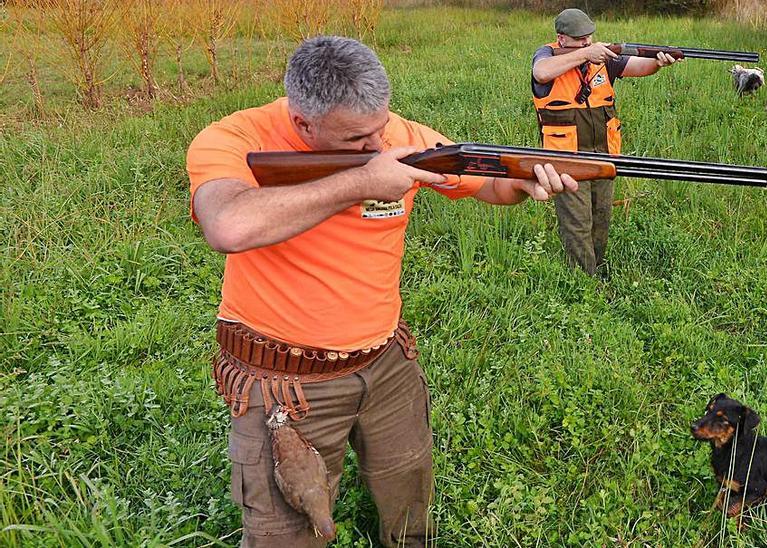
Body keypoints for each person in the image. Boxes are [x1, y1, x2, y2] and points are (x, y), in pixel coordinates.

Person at [187, 35, 579, 547]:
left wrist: (527, 180)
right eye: (356, 140)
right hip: (285, 379)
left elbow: (490, 186)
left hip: (386, 362)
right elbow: (228, 225)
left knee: (410, 501)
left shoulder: (398, 135)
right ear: (303, 123)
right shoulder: (232, 138)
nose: (378, 146)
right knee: (284, 534)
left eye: (380, 128)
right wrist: (361, 182)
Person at [531, 8, 680, 276]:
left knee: (600, 218)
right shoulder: (547, 56)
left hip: (605, 156)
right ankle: (584, 283)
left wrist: (658, 62)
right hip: (567, 160)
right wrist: (585, 54)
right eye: (580, 40)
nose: (587, 43)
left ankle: (597, 268)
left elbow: (638, 66)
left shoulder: (602, 59)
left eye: (589, 38)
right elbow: (541, 73)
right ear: (561, 39)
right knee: (577, 222)